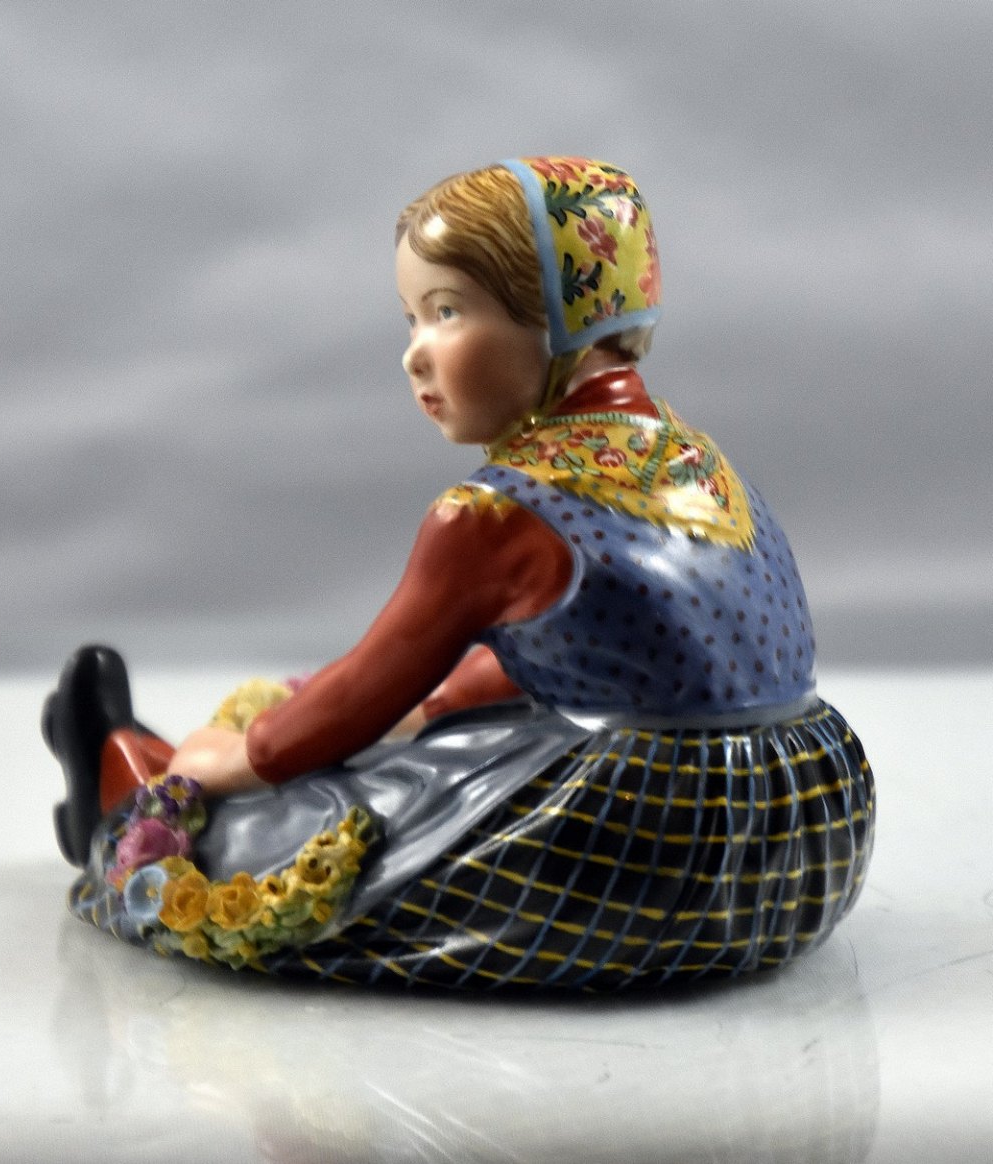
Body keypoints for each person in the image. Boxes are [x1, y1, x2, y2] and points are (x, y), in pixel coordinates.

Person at [46, 156, 874, 991]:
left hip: (637, 852)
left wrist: (237, 759)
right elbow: (608, 650)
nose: (414, 355)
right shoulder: (695, 461)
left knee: (312, 821)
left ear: (560, 321)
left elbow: (360, 695)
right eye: (411, 319)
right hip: (802, 839)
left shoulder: (491, 512)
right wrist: (438, 706)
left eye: (446, 312)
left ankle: (126, 782)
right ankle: (134, 759)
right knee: (448, 737)